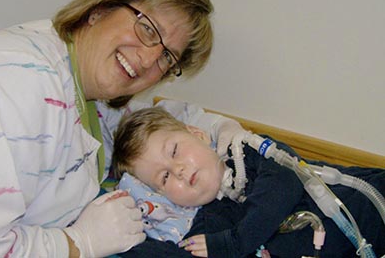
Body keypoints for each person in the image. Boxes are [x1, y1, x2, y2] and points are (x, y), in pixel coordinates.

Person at [0, 0, 245, 257]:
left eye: (166, 58)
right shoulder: (15, 84)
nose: (148, 60)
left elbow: (159, 119)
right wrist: (78, 243)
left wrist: (223, 128)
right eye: (147, 28)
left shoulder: (92, 91)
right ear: (100, 9)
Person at [112, 106, 385, 258]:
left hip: (373, 203)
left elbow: (282, 188)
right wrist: (127, 244)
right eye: (165, 177)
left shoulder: (250, 151)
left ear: (198, 134)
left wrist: (236, 242)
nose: (179, 170)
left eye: (174, 152)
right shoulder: (212, 222)